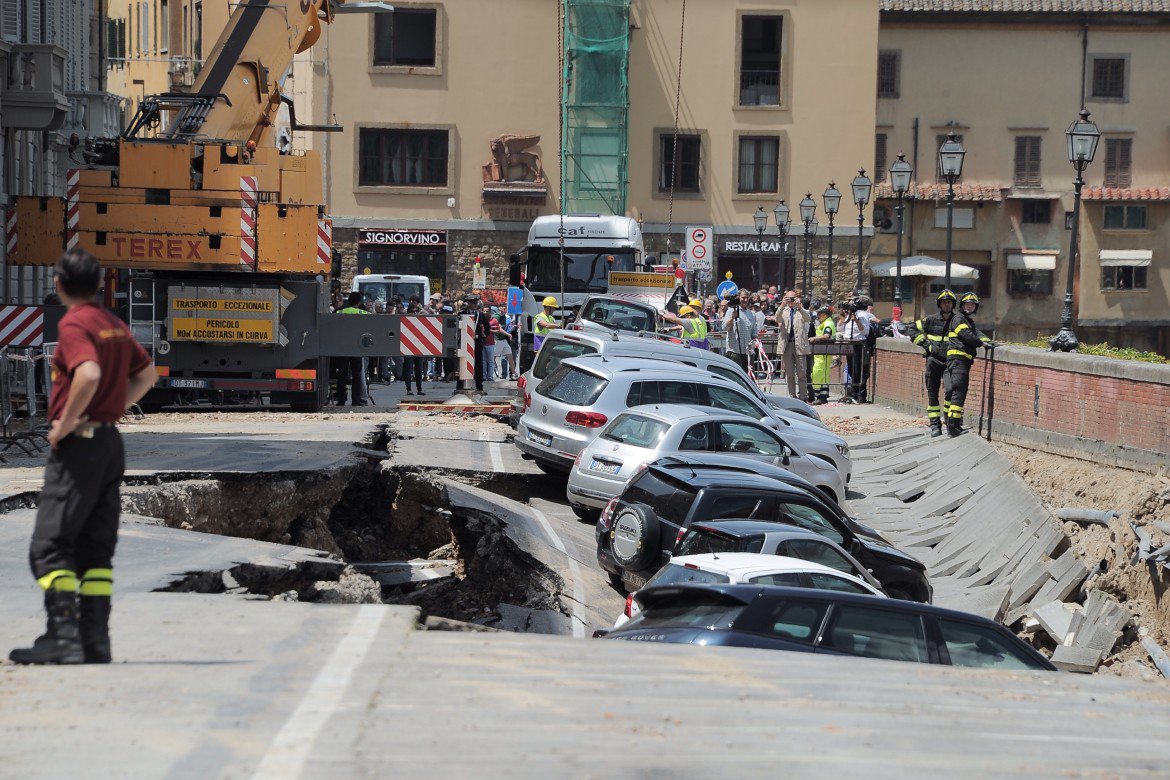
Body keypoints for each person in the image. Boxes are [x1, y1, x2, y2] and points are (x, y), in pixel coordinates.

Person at [9, 249, 156, 665]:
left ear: (58, 284)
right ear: (96, 284)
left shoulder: (75, 323)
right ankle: (95, 640)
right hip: (110, 443)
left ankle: (63, 637)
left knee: (49, 546)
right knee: (95, 550)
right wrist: (115, 407)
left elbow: (88, 374)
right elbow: (147, 375)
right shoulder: (111, 322)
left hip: (82, 446)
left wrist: (66, 423)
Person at [908, 290, 958, 437]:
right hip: (933, 361)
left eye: (949, 302)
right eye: (944, 302)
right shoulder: (930, 320)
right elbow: (912, 329)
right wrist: (926, 345)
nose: (947, 305)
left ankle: (949, 421)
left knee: (950, 390)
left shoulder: (958, 320)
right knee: (932, 394)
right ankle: (935, 425)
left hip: (950, 362)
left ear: (953, 304)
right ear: (939, 304)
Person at [943, 292, 994, 437]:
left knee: (958, 391)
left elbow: (976, 332)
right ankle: (952, 425)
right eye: (967, 304)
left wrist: (987, 340)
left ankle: (954, 423)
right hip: (958, 360)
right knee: (958, 391)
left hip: (962, 361)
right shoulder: (958, 319)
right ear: (962, 306)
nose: (969, 307)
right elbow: (966, 335)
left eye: (972, 305)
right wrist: (981, 343)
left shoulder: (967, 320)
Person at [770, 291, 811, 401]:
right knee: (790, 374)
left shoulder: (801, 310)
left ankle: (803, 397)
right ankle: (792, 396)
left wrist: (800, 307)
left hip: (799, 345)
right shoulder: (784, 310)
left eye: (793, 298)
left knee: (802, 373)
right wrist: (782, 306)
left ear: (797, 298)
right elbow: (777, 319)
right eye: (789, 299)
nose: (791, 301)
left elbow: (808, 319)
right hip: (787, 345)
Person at [335, 291, 370, 406]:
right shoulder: (363, 313)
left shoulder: (339, 312)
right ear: (359, 302)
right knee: (357, 375)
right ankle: (356, 400)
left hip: (342, 347)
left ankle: (341, 400)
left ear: (348, 300)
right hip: (357, 348)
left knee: (342, 375)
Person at [837, 301, 870, 403]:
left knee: (859, 370)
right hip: (849, 344)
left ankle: (861, 395)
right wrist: (843, 315)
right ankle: (853, 394)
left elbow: (865, 331)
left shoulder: (863, 315)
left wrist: (856, 320)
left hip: (858, 344)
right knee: (851, 370)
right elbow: (842, 328)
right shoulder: (848, 316)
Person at [808, 306, 837, 404]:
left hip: (824, 354)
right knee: (822, 376)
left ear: (824, 315)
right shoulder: (825, 323)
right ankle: (822, 397)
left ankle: (819, 396)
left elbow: (826, 335)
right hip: (821, 353)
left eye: (819, 314)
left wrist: (814, 338)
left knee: (818, 374)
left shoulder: (828, 323)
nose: (818, 316)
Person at [722, 296, 756, 373]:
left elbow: (754, 329)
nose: (745, 300)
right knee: (736, 376)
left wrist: (755, 337)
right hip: (735, 351)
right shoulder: (730, 311)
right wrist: (732, 318)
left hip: (748, 351)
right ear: (738, 298)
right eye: (743, 298)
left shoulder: (750, 313)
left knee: (748, 376)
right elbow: (724, 327)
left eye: (747, 298)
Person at [401, 296, 425, 396]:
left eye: (416, 311)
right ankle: (409, 389)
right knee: (409, 369)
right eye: (413, 312)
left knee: (419, 370)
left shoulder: (420, 319)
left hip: (418, 347)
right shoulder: (405, 320)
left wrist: (420, 310)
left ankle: (419, 389)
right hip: (408, 348)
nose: (415, 314)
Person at [467, 297, 491, 393]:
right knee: (464, 362)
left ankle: (479, 386)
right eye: (472, 302)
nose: (474, 304)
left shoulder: (479, 314)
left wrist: (485, 336)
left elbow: (487, 326)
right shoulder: (463, 312)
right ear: (468, 303)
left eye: (475, 303)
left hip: (476, 340)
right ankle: (461, 385)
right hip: (466, 341)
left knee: (478, 364)